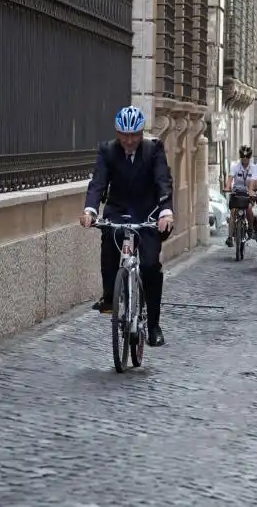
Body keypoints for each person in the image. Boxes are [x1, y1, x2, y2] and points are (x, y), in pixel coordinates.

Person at [80, 106, 174, 347]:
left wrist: (165, 212)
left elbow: (163, 180)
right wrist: (90, 210)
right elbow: (98, 183)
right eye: (124, 135)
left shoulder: (154, 150)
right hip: (118, 212)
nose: (129, 141)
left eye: (134, 135)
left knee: (151, 266)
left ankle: (153, 326)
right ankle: (110, 296)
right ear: (117, 132)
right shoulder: (107, 151)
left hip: (148, 214)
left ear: (142, 133)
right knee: (109, 244)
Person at [224, 145, 256, 247]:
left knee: (249, 209)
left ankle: (250, 229)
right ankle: (230, 237)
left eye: (247, 157)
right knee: (233, 212)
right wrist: (228, 187)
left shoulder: (254, 168)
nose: (244, 159)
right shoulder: (235, 166)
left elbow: (256, 181)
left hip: (248, 194)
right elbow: (230, 179)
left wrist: (255, 189)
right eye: (243, 156)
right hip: (237, 193)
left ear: (249, 157)